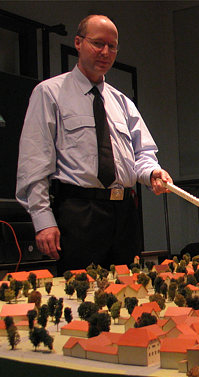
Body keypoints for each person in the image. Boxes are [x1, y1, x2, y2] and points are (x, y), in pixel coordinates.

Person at [16, 15, 173, 273]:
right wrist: (43, 220)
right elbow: (34, 162)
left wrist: (153, 172)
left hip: (124, 214)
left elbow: (142, 154)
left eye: (112, 46)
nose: (105, 52)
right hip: (79, 213)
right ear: (78, 42)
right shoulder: (49, 93)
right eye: (98, 43)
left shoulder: (122, 102)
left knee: (128, 288)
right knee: (82, 289)